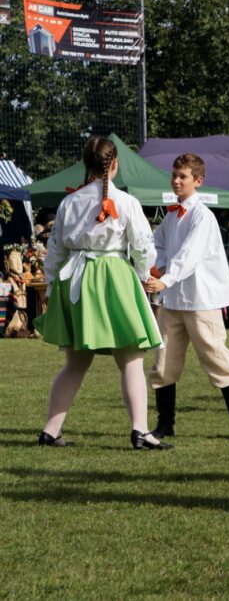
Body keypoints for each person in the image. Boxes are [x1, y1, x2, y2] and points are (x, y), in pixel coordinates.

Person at [34, 136, 169, 449]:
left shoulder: (69, 202)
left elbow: (53, 251)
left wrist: (52, 287)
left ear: (86, 165)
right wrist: (144, 275)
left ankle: (51, 430)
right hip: (113, 278)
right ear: (116, 163)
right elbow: (143, 248)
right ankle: (140, 431)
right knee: (131, 359)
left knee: (75, 363)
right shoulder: (127, 202)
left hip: (75, 281)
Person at [143, 153, 229, 441]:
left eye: (183, 176)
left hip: (201, 299)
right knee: (163, 363)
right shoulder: (171, 215)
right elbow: (159, 246)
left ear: (198, 181)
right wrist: (155, 270)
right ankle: (165, 424)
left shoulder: (202, 216)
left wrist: (165, 278)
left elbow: (190, 256)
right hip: (173, 300)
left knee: (217, 358)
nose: (176, 181)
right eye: (174, 175)